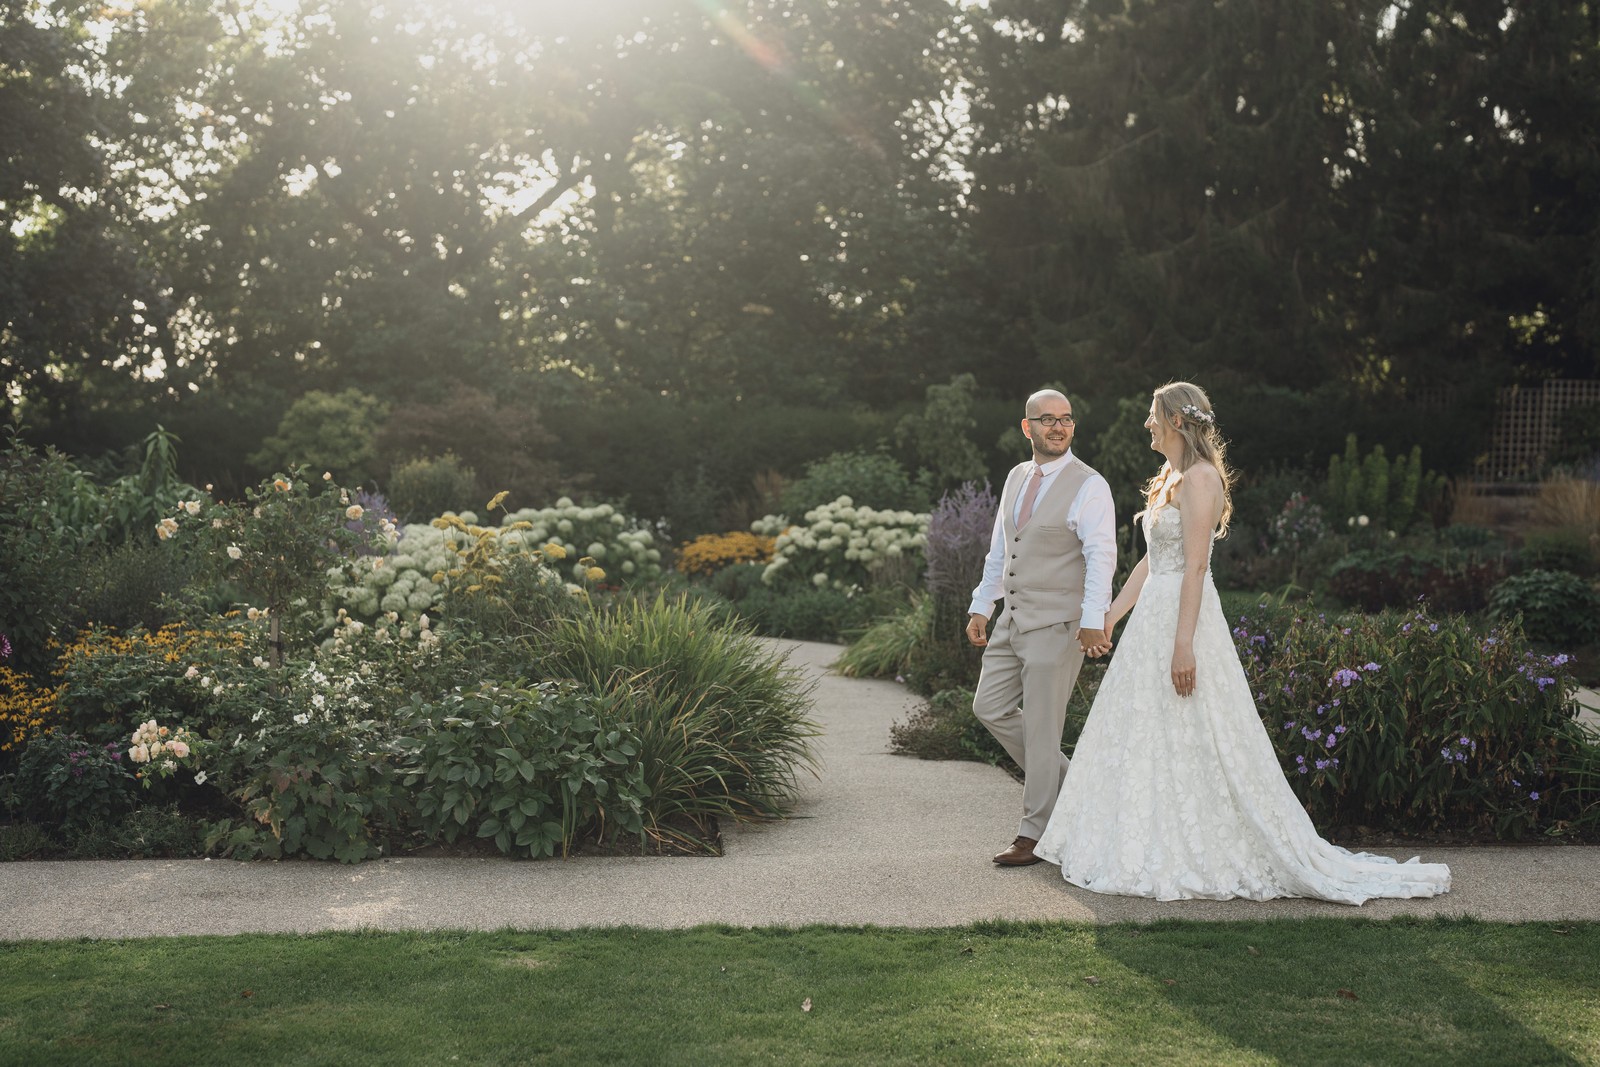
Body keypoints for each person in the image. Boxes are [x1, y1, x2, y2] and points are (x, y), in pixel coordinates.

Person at [1033, 382, 1451, 903]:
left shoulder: (1203, 478)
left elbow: (1196, 565)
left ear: (1176, 422)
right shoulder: (1170, 477)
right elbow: (1151, 561)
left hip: (1183, 620)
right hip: (1151, 621)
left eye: (1152, 416)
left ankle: (1202, 845)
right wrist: (1111, 617)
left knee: (1192, 724)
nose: (1146, 424)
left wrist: (1184, 645)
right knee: (1144, 727)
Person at [966, 389, 1117, 867]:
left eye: (1067, 419)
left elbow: (1101, 557)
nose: (1059, 427)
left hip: (1058, 625)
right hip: (1012, 618)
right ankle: (1076, 789)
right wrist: (981, 606)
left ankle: (1034, 833)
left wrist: (1094, 621)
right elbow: (1000, 549)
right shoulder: (1016, 476)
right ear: (1027, 427)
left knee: (1044, 730)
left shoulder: (1090, 485)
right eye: (1048, 419)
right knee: (988, 707)